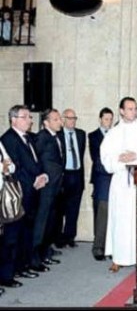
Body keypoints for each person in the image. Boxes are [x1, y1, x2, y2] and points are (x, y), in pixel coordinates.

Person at [101, 97, 137, 272]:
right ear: (121, 111)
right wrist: (119, 158)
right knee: (119, 219)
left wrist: (135, 157)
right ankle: (118, 257)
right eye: (130, 109)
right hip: (120, 182)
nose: (134, 111)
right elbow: (106, 158)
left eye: (135, 108)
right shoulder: (113, 133)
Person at [0, 105, 48, 287]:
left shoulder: (28, 137)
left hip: (32, 191)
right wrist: (32, 182)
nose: (30, 120)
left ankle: (23, 265)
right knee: (12, 236)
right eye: (25, 117)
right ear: (14, 120)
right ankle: (7, 274)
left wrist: (42, 175)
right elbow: (14, 170)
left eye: (29, 116)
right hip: (19, 193)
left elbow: (35, 162)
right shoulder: (8, 139)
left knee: (27, 232)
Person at [32, 109, 64, 272]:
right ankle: (35, 259)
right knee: (41, 223)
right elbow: (36, 160)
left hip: (56, 186)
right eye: (56, 119)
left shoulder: (56, 136)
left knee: (50, 223)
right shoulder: (42, 137)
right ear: (46, 122)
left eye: (59, 119)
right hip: (46, 188)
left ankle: (45, 253)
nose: (60, 122)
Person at [55, 109, 86, 248]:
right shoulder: (58, 134)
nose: (72, 120)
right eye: (69, 118)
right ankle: (59, 238)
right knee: (60, 208)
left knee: (74, 209)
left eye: (74, 118)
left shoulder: (81, 134)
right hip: (64, 175)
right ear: (63, 119)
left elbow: (81, 152)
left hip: (77, 174)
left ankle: (70, 236)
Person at [88, 107, 114, 261]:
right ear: (100, 119)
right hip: (102, 178)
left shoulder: (115, 134)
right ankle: (98, 247)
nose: (109, 122)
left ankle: (109, 246)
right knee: (101, 211)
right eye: (106, 119)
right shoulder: (93, 136)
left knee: (112, 213)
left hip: (114, 178)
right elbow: (97, 158)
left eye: (111, 119)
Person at [0, 139, 17, 296]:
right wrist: (2, 166)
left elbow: (11, 166)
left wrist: (6, 167)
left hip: (3, 194)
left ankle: (5, 276)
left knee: (5, 238)